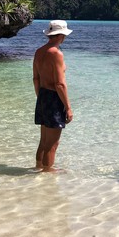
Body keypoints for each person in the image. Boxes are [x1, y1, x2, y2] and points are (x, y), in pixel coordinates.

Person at [33, 20, 73, 172]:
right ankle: (47, 174)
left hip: (43, 95)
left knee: (43, 141)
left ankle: (39, 168)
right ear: (61, 35)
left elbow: (35, 78)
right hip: (54, 98)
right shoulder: (56, 53)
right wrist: (68, 108)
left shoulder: (39, 52)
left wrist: (40, 98)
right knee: (52, 144)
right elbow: (59, 84)